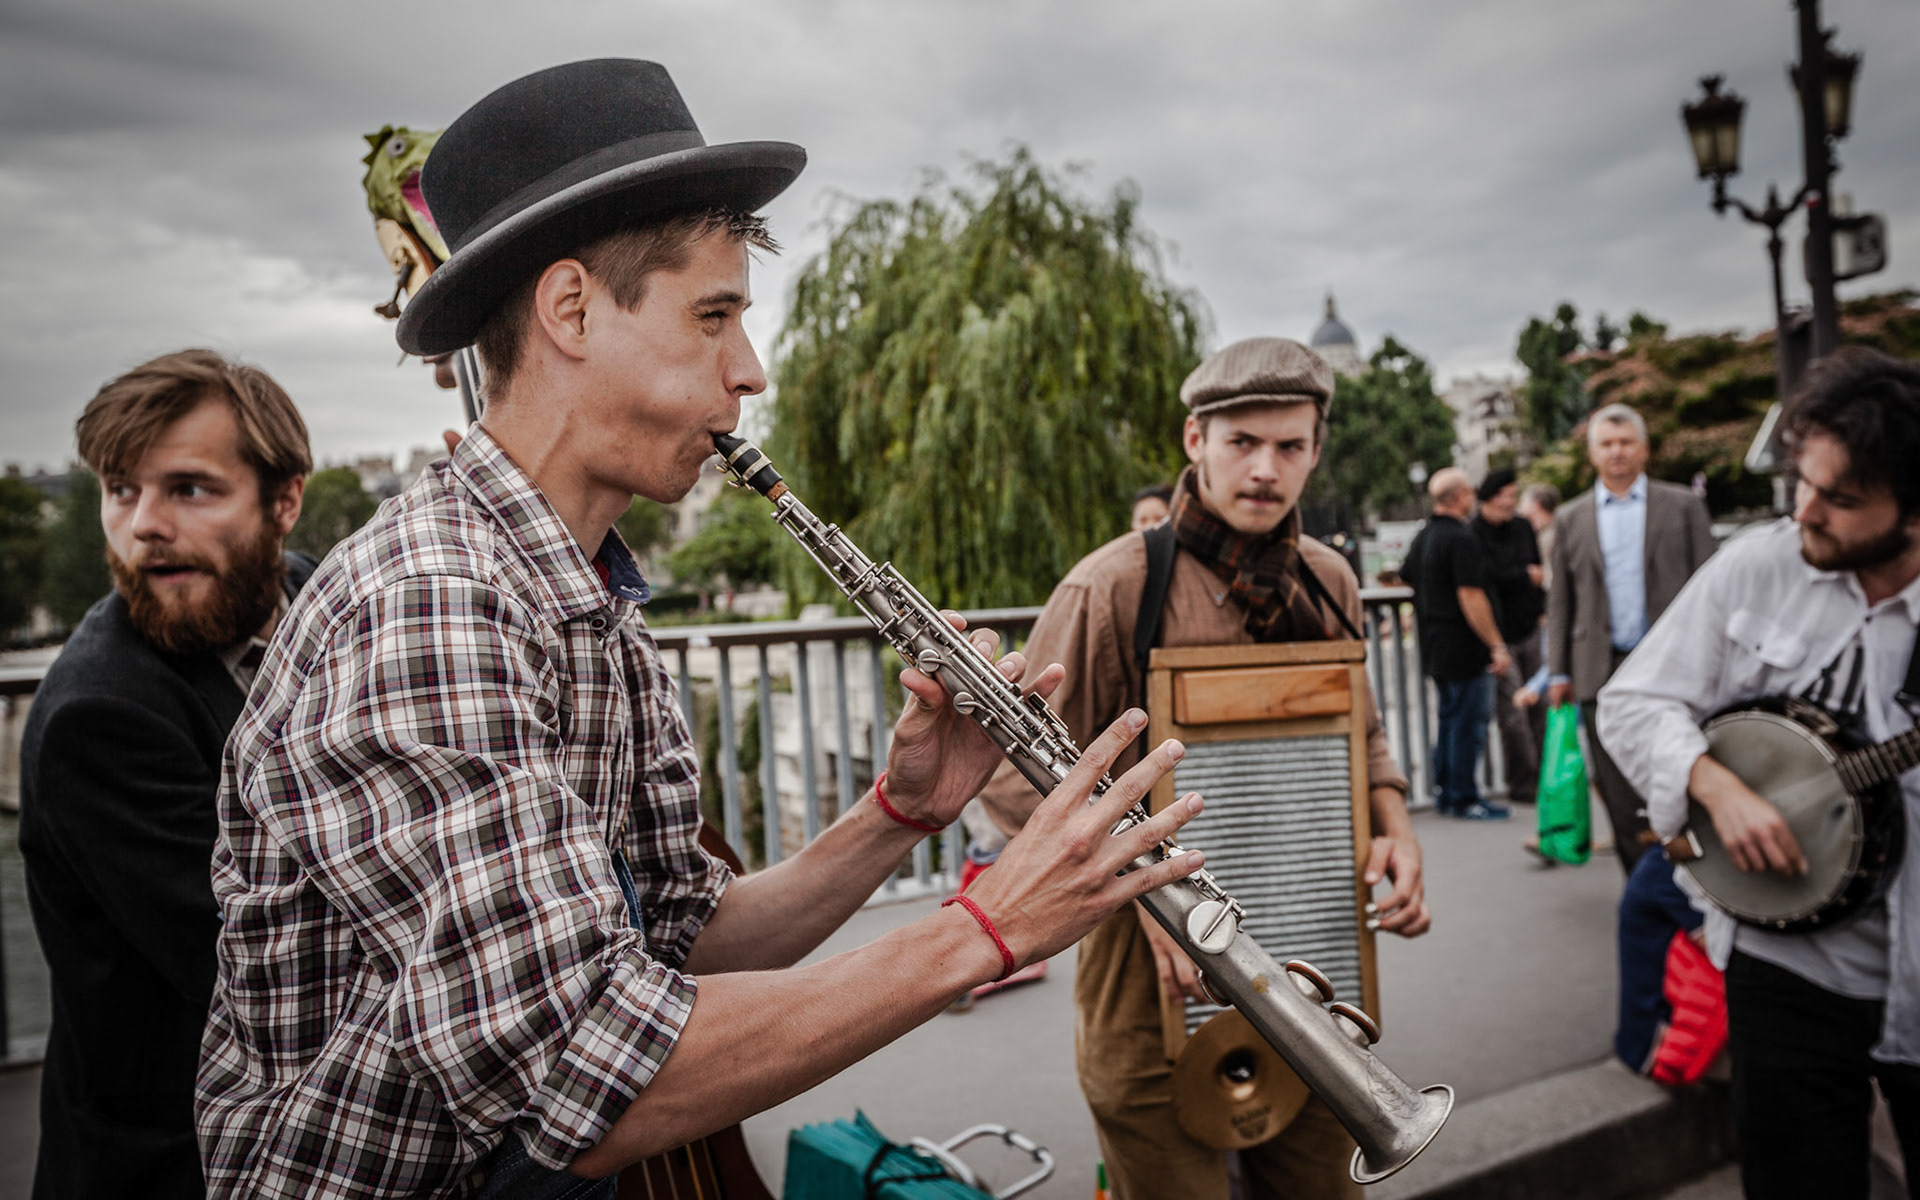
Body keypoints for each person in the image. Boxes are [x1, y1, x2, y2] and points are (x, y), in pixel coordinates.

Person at [193, 59, 1206, 1200]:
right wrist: (987, 925)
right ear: (570, 309)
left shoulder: (593, 602)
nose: (751, 370)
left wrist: (902, 814)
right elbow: (590, 1070)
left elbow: (684, 938)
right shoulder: (429, 602)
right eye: (714, 316)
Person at [978, 336, 1429, 1200]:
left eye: (1289, 447)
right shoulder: (1111, 588)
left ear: (1315, 453)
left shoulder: (1330, 579)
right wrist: (1145, 890)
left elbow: (1363, 737)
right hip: (1149, 977)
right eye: (1242, 443)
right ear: (1196, 442)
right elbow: (1011, 772)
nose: (1266, 468)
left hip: (1306, 975)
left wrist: (1396, 825)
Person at [1598, 350, 1920, 1199]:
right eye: (1803, 482)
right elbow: (1634, 704)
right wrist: (1714, 782)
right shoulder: (1763, 566)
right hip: (1788, 972)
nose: (1804, 510)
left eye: (1840, 500)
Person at [19, 350, 315, 1200]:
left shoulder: (309, 594)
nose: (144, 524)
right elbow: (270, 974)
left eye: (189, 489)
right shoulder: (99, 719)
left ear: (284, 500)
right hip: (181, 1168)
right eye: (121, 490)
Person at [1547, 404, 1715, 874]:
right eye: (1607, 443)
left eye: (1625, 442)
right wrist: (1558, 670)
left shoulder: (1682, 505)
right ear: (1592, 452)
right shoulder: (1571, 517)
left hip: (1672, 666)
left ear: (1643, 449)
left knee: (1678, 773)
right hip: (1598, 669)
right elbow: (1561, 599)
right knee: (1618, 790)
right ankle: (1641, 885)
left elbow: (1711, 585)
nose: (1616, 451)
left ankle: (1693, 881)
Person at [1406, 467, 1512, 820]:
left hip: (1435, 644)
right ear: (1459, 497)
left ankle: (1447, 793)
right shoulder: (1462, 539)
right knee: (1469, 723)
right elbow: (1471, 595)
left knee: (1450, 720)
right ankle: (1465, 797)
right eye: (1470, 491)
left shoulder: (1424, 536)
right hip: (1464, 646)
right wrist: (1496, 644)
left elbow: (1405, 577)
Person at [1471, 469, 1545, 802]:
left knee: (1540, 707)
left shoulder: (1523, 527)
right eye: (1503, 496)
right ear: (1488, 496)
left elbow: (1537, 569)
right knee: (1512, 715)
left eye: (1513, 497)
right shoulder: (1472, 533)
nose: (1509, 503)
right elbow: (1486, 578)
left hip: (1530, 626)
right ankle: (1522, 782)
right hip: (1499, 634)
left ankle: (1547, 775)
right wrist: (1522, 576)